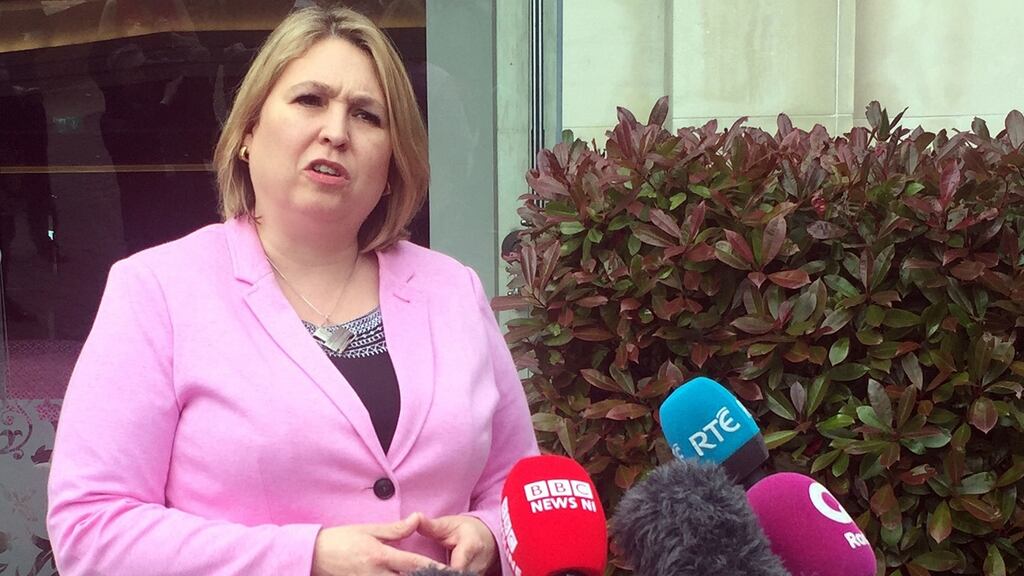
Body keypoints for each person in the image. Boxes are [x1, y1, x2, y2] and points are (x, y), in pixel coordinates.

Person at [45, 6, 539, 576]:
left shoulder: (454, 290)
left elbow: (519, 486)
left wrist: (489, 534)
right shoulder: (156, 290)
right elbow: (90, 528)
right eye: (310, 100)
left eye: (367, 115)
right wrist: (305, 557)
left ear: (392, 161)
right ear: (248, 134)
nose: (336, 131)